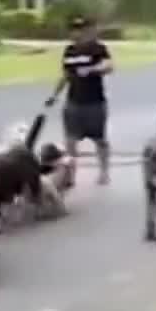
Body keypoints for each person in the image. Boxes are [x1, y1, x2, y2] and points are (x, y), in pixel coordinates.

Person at [48, 16, 114, 186]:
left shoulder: (98, 48)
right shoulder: (69, 51)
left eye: (80, 29)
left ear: (87, 31)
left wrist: (92, 69)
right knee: (70, 142)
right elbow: (65, 76)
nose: (76, 33)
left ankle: (104, 172)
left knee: (100, 140)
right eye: (73, 29)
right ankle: (70, 176)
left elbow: (108, 66)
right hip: (73, 103)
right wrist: (54, 95)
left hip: (94, 103)